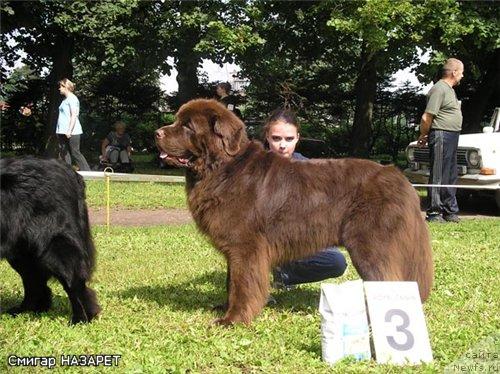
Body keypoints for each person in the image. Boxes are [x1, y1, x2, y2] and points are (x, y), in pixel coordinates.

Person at [263, 108, 347, 289]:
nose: (282, 145)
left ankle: (284, 274)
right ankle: (261, 272)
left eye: (289, 139)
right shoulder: (254, 167)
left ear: (298, 138)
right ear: (267, 137)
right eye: (276, 138)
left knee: (336, 262)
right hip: (262, 239)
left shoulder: (309, 168)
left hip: (299, 238)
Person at [417, 58, 464, 223]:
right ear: (454, 72)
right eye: (461, 72)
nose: (462, 76)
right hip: (440, 134)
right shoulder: (439, 89)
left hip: (452, 135)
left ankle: (450, 211)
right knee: (438, 173)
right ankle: (434, 213)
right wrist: (424, 135)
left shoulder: (450, 89)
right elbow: (427, 116)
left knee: (450, 174)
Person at [56, 78, 90, 171]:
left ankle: (89, 173)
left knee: (75, 152)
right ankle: (67, 173)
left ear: (65, 87)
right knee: (64, 153)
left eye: (61, 87)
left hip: (72, 131)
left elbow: (74, 115)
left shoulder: (72, 99)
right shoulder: (65, 100)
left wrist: (69, 130)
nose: (59, 89)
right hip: (62, 131)